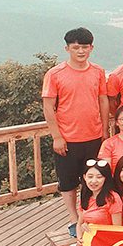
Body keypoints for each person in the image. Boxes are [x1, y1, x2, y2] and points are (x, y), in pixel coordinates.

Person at [42, 27, 108, 235]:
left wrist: (105, 130)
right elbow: (48, 107)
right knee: (68, 182)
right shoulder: (55, 74)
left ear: (91, 48)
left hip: (94, 136)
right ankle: (73, 219)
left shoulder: (98, 71)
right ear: (67, 48)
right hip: (68, 139)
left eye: (85, 47)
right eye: (76, 47)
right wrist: (57, 136)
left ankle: (89, 216)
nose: (81, 51)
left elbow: (103, 100)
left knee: (93, 179)